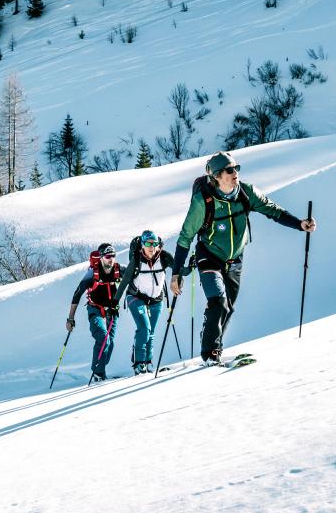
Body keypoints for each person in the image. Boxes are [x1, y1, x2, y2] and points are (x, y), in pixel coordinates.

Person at [169, 152, 316, 364]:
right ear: (218, 176)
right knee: (218, 300)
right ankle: (210, 353)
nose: (235, 173)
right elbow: (185, 238)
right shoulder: (203, 202)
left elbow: (273, 211)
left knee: (228, 306)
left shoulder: (247, 192)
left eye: (236, 168)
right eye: (230, 170)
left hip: (235, 258)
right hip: (209, 255)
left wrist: (299, 224)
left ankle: (213, 342)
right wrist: (176, 274)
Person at [116, 230, 173, 374]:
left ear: (159, 245)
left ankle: (148, 362)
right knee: (144, 329)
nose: (151, 247)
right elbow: (125, 281)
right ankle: (139, 363)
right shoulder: (136, 260)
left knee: (151, 332)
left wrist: (190, 266)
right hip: (136, 297)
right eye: (148, 243)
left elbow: (180, 270)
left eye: (154, 244)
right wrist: (114, 302)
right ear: (142, 245)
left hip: (156, 299)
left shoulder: (164, 258)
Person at [67, 243, 122, 382]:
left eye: (113, 256)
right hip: (95, 308)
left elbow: (133, 275)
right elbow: (77, 294)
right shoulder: (92, 274)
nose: (111, 259)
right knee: (103, 338)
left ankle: (100, 370)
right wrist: (70, 319)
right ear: (102, 257)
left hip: (112, 311)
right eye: (108, 256)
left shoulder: (118, 269)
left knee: (110, 343)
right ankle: (98, 374)